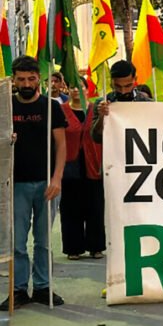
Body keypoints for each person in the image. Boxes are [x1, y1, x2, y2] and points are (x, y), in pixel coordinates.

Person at [1, 56, 67, 311]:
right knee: (16, 242)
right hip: (14, 185)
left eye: (31, 78)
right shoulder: (5, 107)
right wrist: (7, 139)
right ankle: (18, 289)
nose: (26, 83)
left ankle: (42, 287)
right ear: (13, 80)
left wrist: (57, 178)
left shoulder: (51, 107)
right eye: (21, 79)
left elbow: (61, 146)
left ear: (38, 78)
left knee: (43, 240)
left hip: (46, 183)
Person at [59, 78, 105, 260]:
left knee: (95, 207)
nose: (76, 90)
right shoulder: (61, 111)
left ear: (87, 90)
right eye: (72, 87)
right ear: (68, 90)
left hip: (93, 164)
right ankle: (73, 247)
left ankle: (96, 246)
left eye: (81, 87)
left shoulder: (97, 110)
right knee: (70, 208)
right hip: (70, 167)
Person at [91, 60, 152, 144]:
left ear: (135, 79)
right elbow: (97, 138)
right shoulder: (102, 103)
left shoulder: (147, 103)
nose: (123, 91)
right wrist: (102, 117)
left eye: (128, 86)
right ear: (111, 81)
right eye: (118, 86)